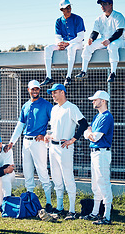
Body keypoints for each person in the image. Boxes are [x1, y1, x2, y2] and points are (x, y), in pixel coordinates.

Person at [4, 80, 53, 213]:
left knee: (42, 170)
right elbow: (20, 125)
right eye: (33, 89)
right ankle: (30, 200)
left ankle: (48, 202)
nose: (35, 91)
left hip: (39, 143)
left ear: (39, 90)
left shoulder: (46, 105)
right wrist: (11, 142)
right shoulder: (25, 105)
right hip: (26, 142)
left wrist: (46, 135)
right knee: (27, 171)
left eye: (37, 89)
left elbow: (55, 123)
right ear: (28, 90)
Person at [45, 84, 88, 219]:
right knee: (56, 179)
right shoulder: (54, 109)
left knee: (68, 179)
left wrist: (73, 139)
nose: (52, 94)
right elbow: (54, 128)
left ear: (62, 92)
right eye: (51, 92)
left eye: (55, 92)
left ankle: (72, 210)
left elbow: (84, 124)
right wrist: (48, 135)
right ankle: (59, 208)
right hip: (53, 147)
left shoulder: (71, 107)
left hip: (65, 148)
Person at [76, 0, 125, 82]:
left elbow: (119, 32)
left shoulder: (118, 16)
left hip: (118, 40)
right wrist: (91, 39)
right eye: (101, 4)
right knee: (88, 46)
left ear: (111, 5)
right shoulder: (99, 18)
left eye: (104, 4)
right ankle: (83, 71)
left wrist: (109, 40)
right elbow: (95, 32)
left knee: (112, 46)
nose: (102, 6)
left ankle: (112, 73)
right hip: (104, 40)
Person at [83, 90, 114, 225]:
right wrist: (89, 133)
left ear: (103, 101)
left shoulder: (107, 116)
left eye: (95, 100)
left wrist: (89, 134)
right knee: (95, 184)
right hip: (95, 152)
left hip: (102, 153)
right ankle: (95, 212)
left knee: (103, 183)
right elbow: (87, 132)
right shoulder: (98, 116)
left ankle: (107, 215)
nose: (93, 101)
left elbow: (95, 136)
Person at [40, 0, 85, 87]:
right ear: (61, 10)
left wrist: (68, 43)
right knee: (47, 48)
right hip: (64, 44)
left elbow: (81, 37)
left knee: (71, 48)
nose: (68, 9)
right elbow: (57, 36)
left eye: (69, 7)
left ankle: (68, 77)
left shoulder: (78, 18)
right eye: (66, 8)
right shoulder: (58, 21)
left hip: (77, 43)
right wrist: (59, 43)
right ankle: (49, 77)